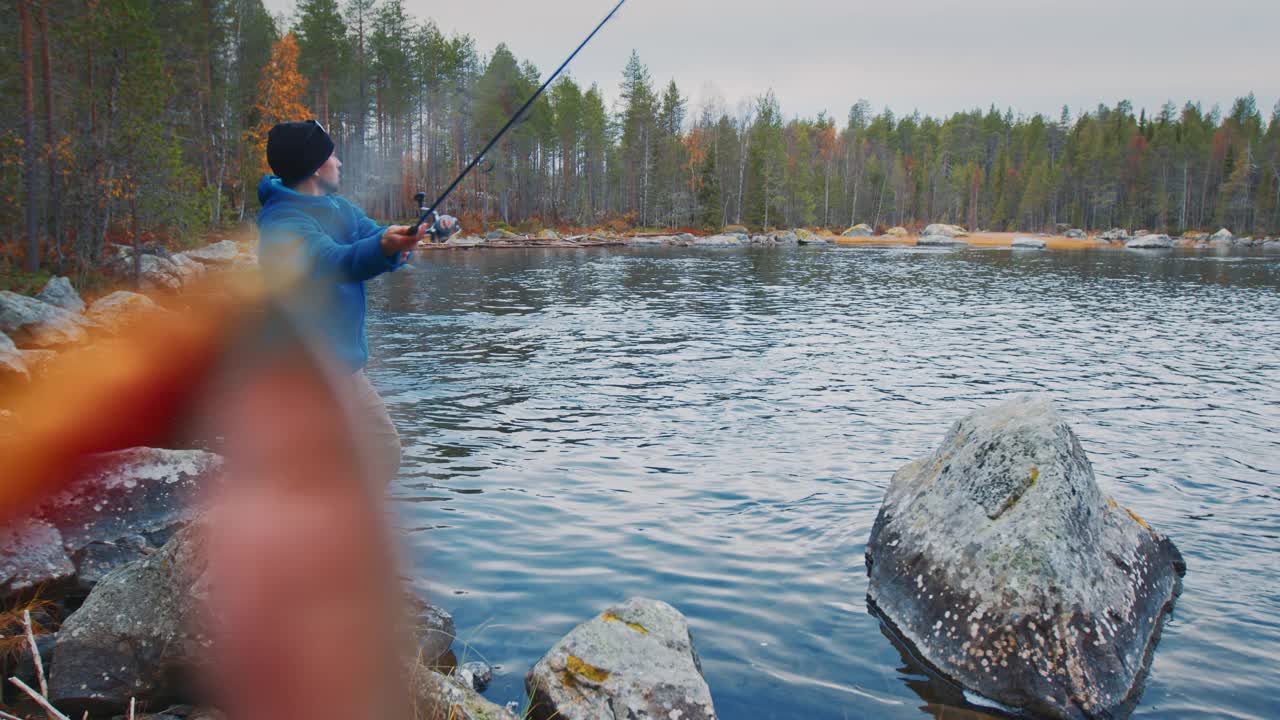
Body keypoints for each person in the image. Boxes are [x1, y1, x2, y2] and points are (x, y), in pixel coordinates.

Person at [256, 120, 457, 486]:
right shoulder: (282, 224)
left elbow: (372, 236)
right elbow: (337, 262)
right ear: (316, 167)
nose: (340, 162)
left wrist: (417, 230)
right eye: (332, 155)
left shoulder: (338, 207)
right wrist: (384, 248)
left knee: (382, 452)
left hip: (343, 367)